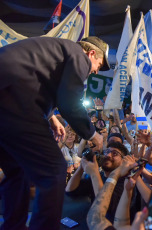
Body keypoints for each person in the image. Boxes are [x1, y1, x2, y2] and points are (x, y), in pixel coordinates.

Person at [0, 36, 108, 230]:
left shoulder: (58, 50)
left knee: (17, 169)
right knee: (53, 169)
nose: (96, 71)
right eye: (99, 65)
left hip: (8, 93)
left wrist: (51, 117)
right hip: (14, 97)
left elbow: (39, 82)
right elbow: (69, 102)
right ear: (91, 53)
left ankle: (13, 226)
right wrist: (93, 134)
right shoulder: (78, 56)